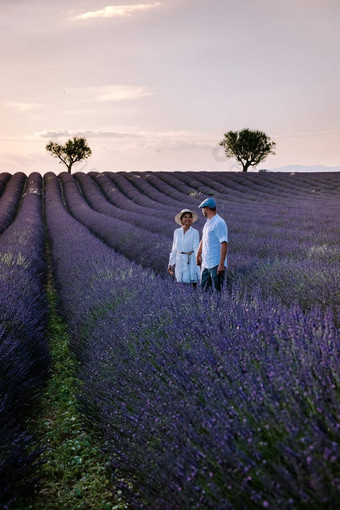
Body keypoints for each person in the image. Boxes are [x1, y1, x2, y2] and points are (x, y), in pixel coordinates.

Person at [196, 198, 228, 291]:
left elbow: (224, 243)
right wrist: (198, 255)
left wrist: (221, 264)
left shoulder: (219, 222)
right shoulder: (208, 222)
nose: (202, 211)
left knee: (217, 292)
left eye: (202, 208)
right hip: (206, 264)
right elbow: (203, 239)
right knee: (203, 291)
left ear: (206, 208)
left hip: (215, 264)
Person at [168, 209, 201, 285]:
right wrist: (171, 263)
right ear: (181, 220)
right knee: (181, 282)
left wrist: (199, 258)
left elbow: (196, 247)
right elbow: (174, 249)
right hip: (179, 260)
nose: (187, 219)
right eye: (185, 217)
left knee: (193, 283)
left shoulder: (195, 232)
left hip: (191, 259)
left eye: (189, 217)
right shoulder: (176, 232)